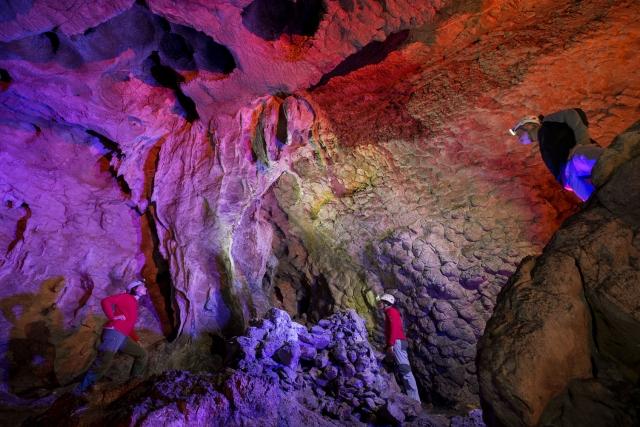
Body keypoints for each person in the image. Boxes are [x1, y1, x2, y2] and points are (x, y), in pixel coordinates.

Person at [510, 108, 604, 201]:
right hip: (569, 176)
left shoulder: (548, 122)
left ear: (527, 126)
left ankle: (613, 160)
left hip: (577, 156)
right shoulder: (544, 144)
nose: (519, 139)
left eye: (518, 134)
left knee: (601, 160)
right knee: (594, 200)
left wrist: (583, 143)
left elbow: (573, 114)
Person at [75, 279, 148, 394]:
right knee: (103, 362)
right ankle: (79, 391)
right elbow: (106, 301)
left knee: (142, 354)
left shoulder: (134, 303)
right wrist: (113, 317)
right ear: (135, 288)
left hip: (122, 336)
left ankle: (133, 382)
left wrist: (136, 340)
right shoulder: (126, 297)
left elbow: (129, 326)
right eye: (143, 286)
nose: (146, 288)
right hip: (114, 332)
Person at [377, 293, 421, 402]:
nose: (379, 303)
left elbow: (395, 329)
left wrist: (391, 344)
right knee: (399, 369)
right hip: (397, 342)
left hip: (397, 343)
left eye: (381, 302)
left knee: (405, 370)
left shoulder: (392, 312)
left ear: (386, 303)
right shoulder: (389, 312)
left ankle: (415, 400)